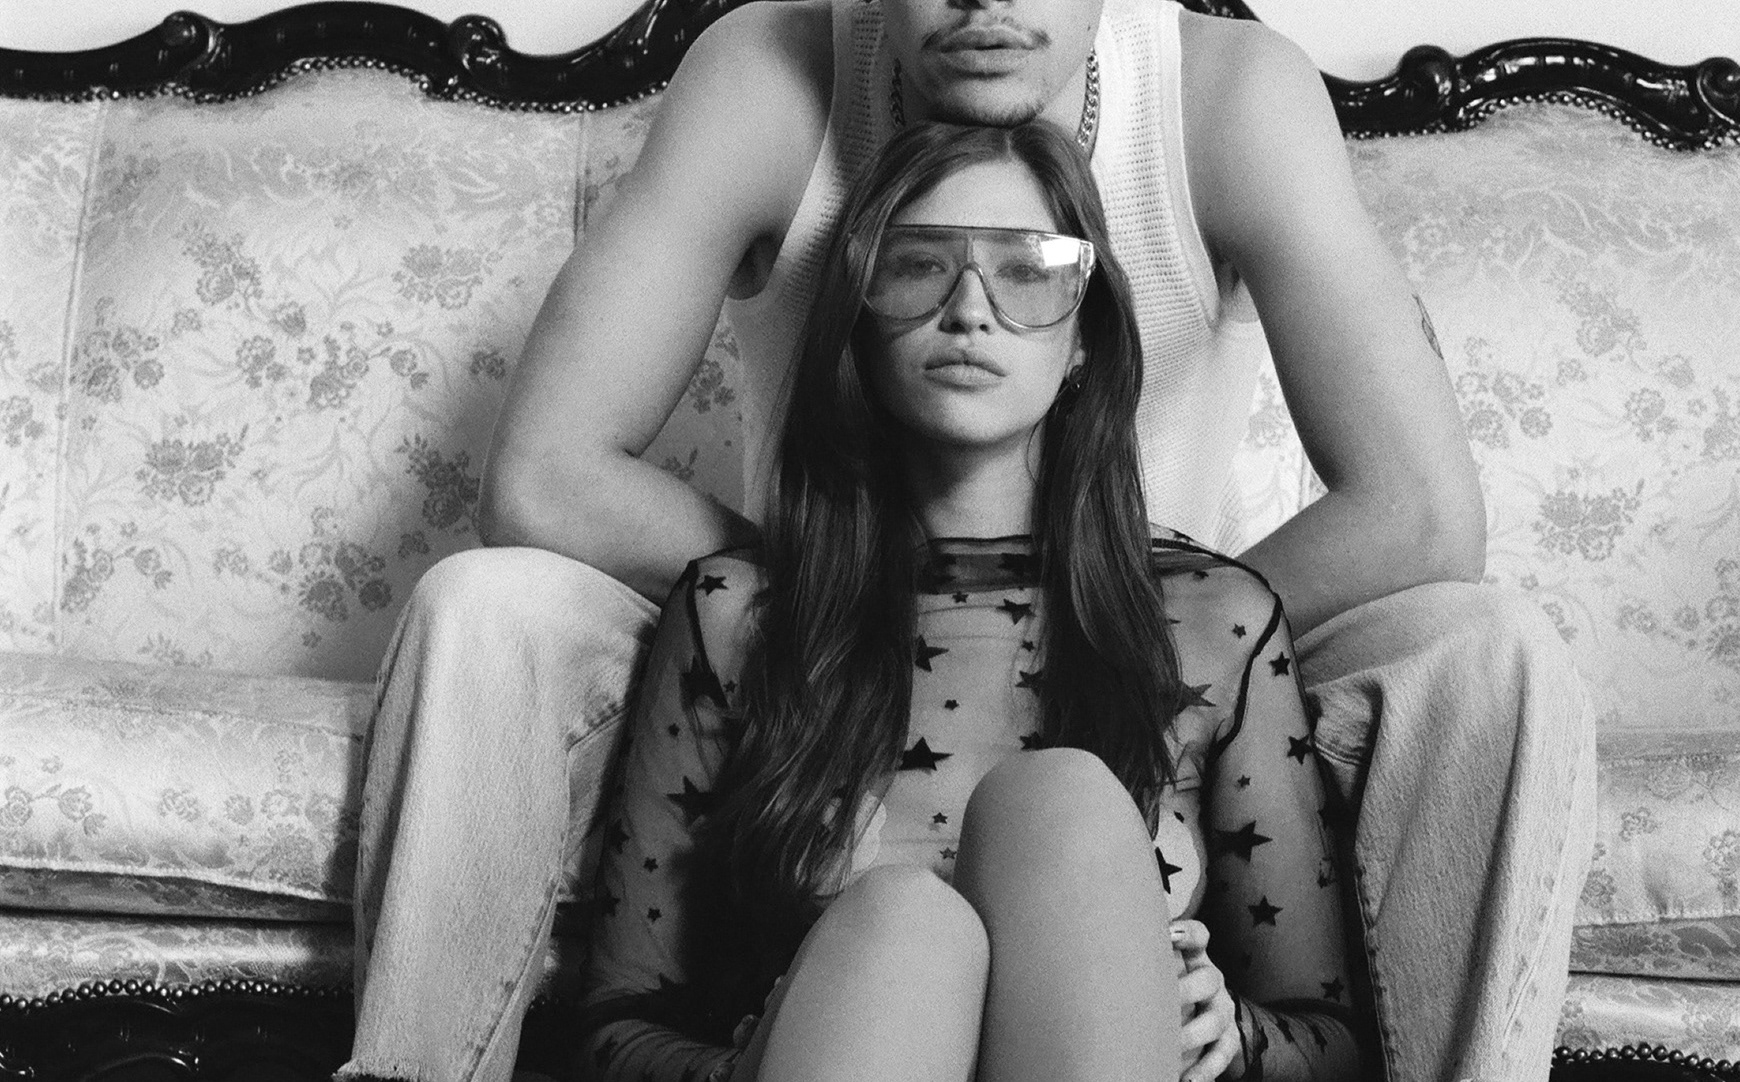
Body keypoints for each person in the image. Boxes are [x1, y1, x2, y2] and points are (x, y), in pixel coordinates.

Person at [336, 0, 1596, 1077]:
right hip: (814, 622)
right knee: (483, 604)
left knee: (1492, 644)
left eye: (1031, 274)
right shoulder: (764, 70)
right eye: (916, 271)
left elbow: (1420, 510)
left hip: (1151, 632)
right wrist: (832, 592)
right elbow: (547, 477)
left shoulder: (1230, 96)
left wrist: (1150, 630)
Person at [580, 119, 1356, 1082]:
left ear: (1085, 336)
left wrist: (1233, 1032)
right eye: (917, 266)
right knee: (903, 923)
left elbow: (1334, 1037)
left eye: (1029, 271)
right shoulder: (737, 615)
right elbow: (613, 1026)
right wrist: (743, 1063)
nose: (970, 311)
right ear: (858, 319)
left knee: (1063, 806)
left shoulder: (1216, 622)